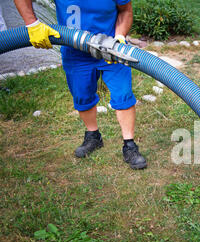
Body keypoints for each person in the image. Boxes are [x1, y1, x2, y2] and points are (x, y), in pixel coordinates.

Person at [13, 0, 147, 170]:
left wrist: (119, 37)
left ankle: (130, 145)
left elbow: (125, 10)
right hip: (75, 53)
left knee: (123, 94)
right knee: (82, 96)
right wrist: (32, 24)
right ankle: (93, 136)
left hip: (112, 49)